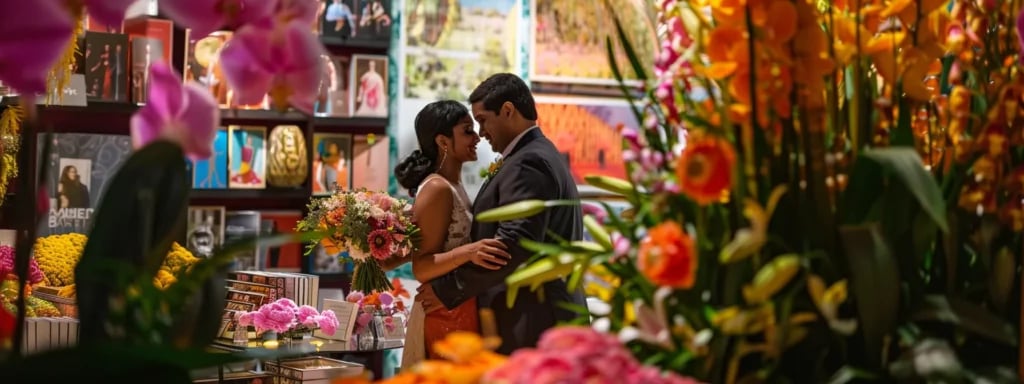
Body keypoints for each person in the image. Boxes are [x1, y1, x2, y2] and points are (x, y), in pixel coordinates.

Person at [415, 74, 587, 354]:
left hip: (534, 320)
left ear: (507, 111)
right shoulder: (534, 154)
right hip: (532, 317)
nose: (481, 133)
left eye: (482, 120)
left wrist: (447, 290)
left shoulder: (528, 162)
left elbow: (512, 246)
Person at [391, 100, 512, 367]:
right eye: (467, 130)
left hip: (457, 306)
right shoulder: (438, 188)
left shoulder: (452, 184)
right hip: (444, 314)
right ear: (443, 141)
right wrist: (470, 251)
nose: (477, 137)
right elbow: (421, 267)